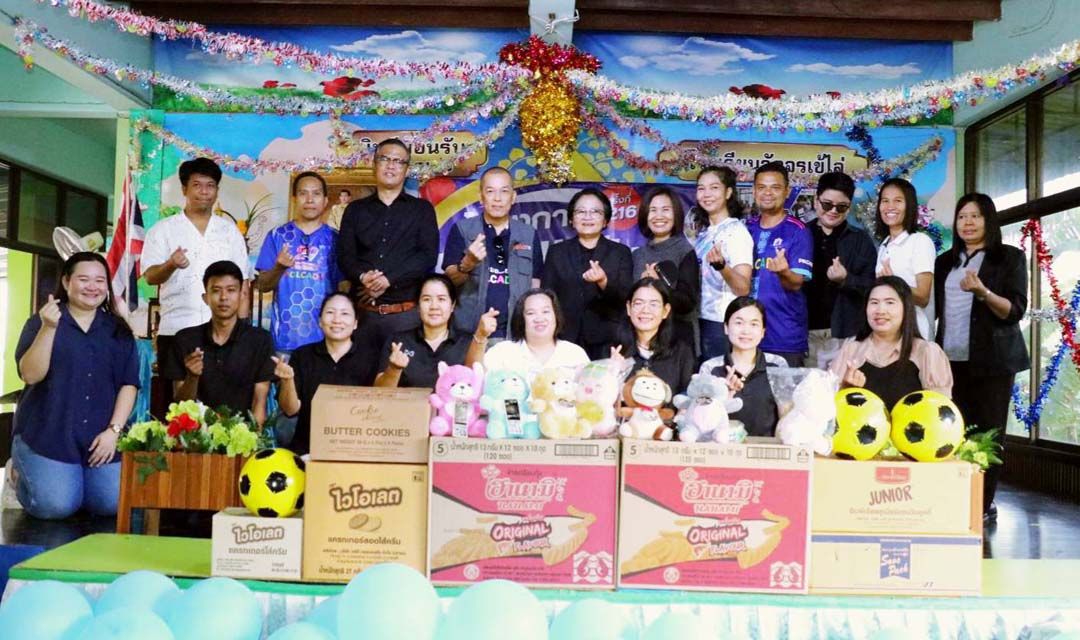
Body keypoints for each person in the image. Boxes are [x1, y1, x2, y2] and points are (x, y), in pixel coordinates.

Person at [12, 253, 139, 519]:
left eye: (99, 281)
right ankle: (20, 477)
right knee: (56, 506)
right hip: (49, 435)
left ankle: (73, 484)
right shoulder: (40, 322)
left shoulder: (118, 330)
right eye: (83, 279)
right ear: (66, 282)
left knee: (112, 503)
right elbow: (30, 375)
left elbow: (129, 384)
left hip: (100, 437)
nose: (92, 287)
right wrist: (48, 328)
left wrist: (114, 431)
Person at [934, 193, 1028, 522]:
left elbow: (1015, 311)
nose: (968, 223)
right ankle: (956, 497)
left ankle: (982, 504)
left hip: (993, 361)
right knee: (952, 430)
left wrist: (983, 292)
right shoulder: (945, 262)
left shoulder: (1009, 258)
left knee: (988, 433)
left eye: (975, 216)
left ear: (989, 220)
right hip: (949, 361)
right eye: (962, 217)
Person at [142, 158, 252, 402]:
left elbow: (243, 286)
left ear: (217, 191)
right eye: (197, 185)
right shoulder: (163, 230)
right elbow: (150, 277)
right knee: (177, 408)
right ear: (184, 189)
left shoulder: (229, 232)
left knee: (223, 407)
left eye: (210, 186)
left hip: (222, 334)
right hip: (176, 329)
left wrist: (241, 332)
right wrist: (170, 264)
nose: (204, 192)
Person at [337, 138, 439, 348]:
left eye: (398, 161)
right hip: (363, 315)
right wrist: (364, 277)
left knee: (405, 369)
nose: (391, 165)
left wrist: (388, 280)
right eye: (385, 159)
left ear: (406, 169)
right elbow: (345, 256)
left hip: (406, 316)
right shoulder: (355, 210)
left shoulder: (422, 210)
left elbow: (427, 257)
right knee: (360, 369)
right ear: (374, 164)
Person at [161, 261, 275, 426]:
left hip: (242, 433)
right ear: (205, 298)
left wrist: (253, 438)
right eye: (216, 290)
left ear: (242, 295)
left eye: (231, 290)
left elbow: (259, 401)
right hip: (196, 435)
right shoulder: (185, 339)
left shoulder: (260, 340)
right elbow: (181, 404)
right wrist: (192, 377)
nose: (223, 298)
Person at [272, 292, 380, 456]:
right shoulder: (303, 355)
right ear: (320, 321)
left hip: (355, 451)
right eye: (330, 312)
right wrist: (287, 380)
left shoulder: (370, 358)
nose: (337, 320)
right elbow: (290, 410)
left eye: (345, 314)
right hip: (308, 449)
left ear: (355, 323)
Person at [442, 167, 543, 342]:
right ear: (481, 197)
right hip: (469, 334)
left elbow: (535, 286)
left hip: (515, 335)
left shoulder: (528, 234)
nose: (497, 198)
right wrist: (468, 263)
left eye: (504, 191)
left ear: (513, 197)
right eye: (490, 191)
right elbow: (451, 281)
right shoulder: (462, 230)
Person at [830, 276, 952, 411]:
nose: (880, 310)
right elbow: (828, 407)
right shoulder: (851, 350)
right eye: (874, 302)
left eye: (890, 302)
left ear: (906, 308)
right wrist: (846, 389)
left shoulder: (927, 352)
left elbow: (939, 412)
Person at [255, 171, 343, 353]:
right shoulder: (277, 236)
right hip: (285, 341)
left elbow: (344, 288)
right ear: (294, 199)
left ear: (325, 201)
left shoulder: (336, 239)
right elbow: (262, 286)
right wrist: (279, 268)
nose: (310, 200)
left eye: (316, 193)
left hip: (326, 341)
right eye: (303, 193)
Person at [542, 188, 633, 359]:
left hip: (607, 340)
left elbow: (626, 298)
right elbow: (547, 295)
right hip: (565, 338)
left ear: (605, 220)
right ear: (571, 219)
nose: (587, 217)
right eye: (581, 211)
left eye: (595, 212)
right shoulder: (557, 252)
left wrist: (604, 282)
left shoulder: (620, 252)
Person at [805, 171, 878, 369]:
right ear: (816, 201)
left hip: (846, 334)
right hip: (803, 334)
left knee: (844, 387)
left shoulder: (861, 240)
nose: (833, 211)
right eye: (827, 204)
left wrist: (846, 279)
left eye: (841, 207)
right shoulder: (800, 234)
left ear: (849, 207)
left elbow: (873, 287)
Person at [746, 161, 814, 365]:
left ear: (787, 192)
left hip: (784, 337)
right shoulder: (745, 229)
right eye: (761, 187)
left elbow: (796, 283)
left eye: (775, 187)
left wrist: (783, 271)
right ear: (754, 191)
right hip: (746, 335)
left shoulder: (798, 231)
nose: (767, 193)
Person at [689, 166, 753, 361]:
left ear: (728, 192)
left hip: (720, 323)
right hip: (698, 320)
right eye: (701, 188)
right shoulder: (703, 233)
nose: (706, 194)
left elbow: (743, 288)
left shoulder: (737, 232)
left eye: (714, 187)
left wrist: (722, 267)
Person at [699, 296, 784, 437]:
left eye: (754, 324)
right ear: (726, 328)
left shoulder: (777, 365)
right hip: (723, 446)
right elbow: (701, 419)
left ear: (763, 331)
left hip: (765, 447)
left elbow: (786, 415)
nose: (746, 331)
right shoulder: (710, 368)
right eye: (739, 323)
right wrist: (723, 397)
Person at [374, 274, 477, 389]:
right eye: (427, 299)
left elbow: (477, 386)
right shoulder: (399, 342)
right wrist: (394, 369)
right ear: (418, 306)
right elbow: (380, 392)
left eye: (441, 299)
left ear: (452, 305)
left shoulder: (468, 343)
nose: (434, 306)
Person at [631, 186, 700, 351]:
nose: (659, 216)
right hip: (642, 342)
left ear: (676, 214)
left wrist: (658, 285)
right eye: (653, 210)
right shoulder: (638, 255)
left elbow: (687, 304)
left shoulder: (685, 251)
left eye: (666, 210)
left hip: (678, 342)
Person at [874, 177, 936, 340]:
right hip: (887, 335)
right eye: (885, 201)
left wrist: (894, 283)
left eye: (898, 201)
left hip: (915, 335)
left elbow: (923, 297)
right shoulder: (883, 246)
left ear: (910, 206)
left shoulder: (920, 241)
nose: (890, 206)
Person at [611, 278, 695, 395]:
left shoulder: (682, 352)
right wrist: (612, 373)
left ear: (665, 311)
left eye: (654, 304)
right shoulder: (613, 350)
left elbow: (688, 396)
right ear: (629, 308)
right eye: (639, 303)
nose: (645, 310)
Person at [483, 288, 589, 378]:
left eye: (545, 311)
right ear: (521, 319)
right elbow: (477, 378)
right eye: (531, 313)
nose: (539, 318)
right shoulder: (503, 352)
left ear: (556, 316)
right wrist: (480, 336)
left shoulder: (575, 354)